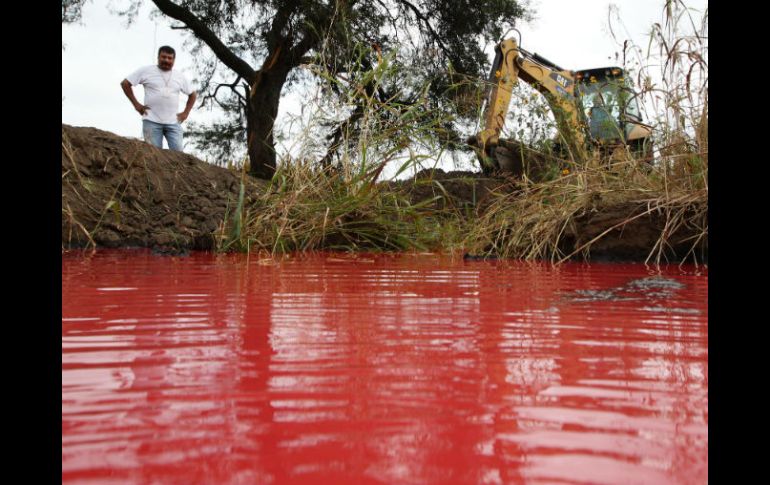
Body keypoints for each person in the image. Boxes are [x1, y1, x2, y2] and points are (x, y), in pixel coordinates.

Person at [120, 46, 197, 151]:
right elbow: (125, 83)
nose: (166, 60)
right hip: (151, 120)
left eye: (170, 58)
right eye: (163, 57)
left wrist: (185, 113)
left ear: (174, 60)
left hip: (173, 122)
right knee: (153, 153)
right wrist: (136, 105)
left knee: (178, 153)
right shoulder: (146, 71)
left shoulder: (179, 76)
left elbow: (192, 94)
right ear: (158, 57)